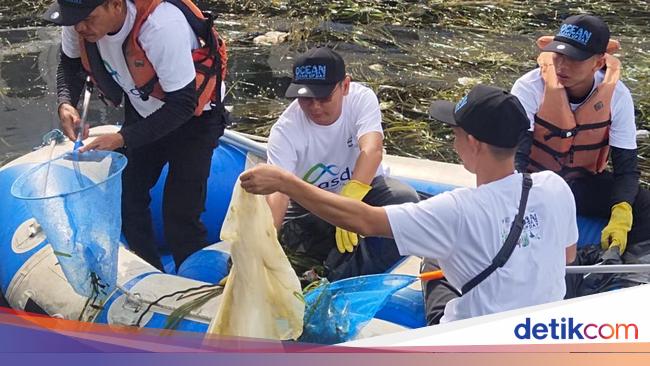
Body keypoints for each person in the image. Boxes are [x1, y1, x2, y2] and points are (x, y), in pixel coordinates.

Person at [241, 84, 578, 323]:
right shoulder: (554, 186)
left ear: (473, 142)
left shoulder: (456, 210)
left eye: (455, 132)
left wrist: (286, 182)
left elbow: (364, 221)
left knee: (433, 261)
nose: (452, 139)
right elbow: (566, 256)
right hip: (540, 332)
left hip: (471, 340)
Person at [44, 0, 228, 271]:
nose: (80, 27)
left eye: (88, 18)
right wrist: (65, 103)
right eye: (74, 20)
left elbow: (184, 104)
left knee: (181, 213)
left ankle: (197, 284)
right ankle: (150, 274)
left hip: (195, 119)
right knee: (128, 197)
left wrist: (122, 139)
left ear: (116, 5)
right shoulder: (78, 24)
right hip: (143, 108)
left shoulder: (161, 26)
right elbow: (69, 64)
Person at [266, 46, 419, 281]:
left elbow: (372, 149)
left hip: (364, 192)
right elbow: (279, 192)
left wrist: (350, 200)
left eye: (324, 98)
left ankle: (337, 277)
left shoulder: (361, 99)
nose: (315, 107)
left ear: (344, 86)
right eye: (306, 98)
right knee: (292, 239)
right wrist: (264, 242)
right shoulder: (285, 131)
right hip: (312, 203)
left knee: (405, 201)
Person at [511, 14, 650, 258]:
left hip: (582, 184)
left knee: (644, 203)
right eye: (558, 55)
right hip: (534, 184)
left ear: (597, 63)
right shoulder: (529, 87)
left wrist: (621, 212)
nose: (562, 66)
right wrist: (519, 203)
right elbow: (515, 158)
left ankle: (622, 267)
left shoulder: (618, 96)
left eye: (574, 59)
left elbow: (626, 169)